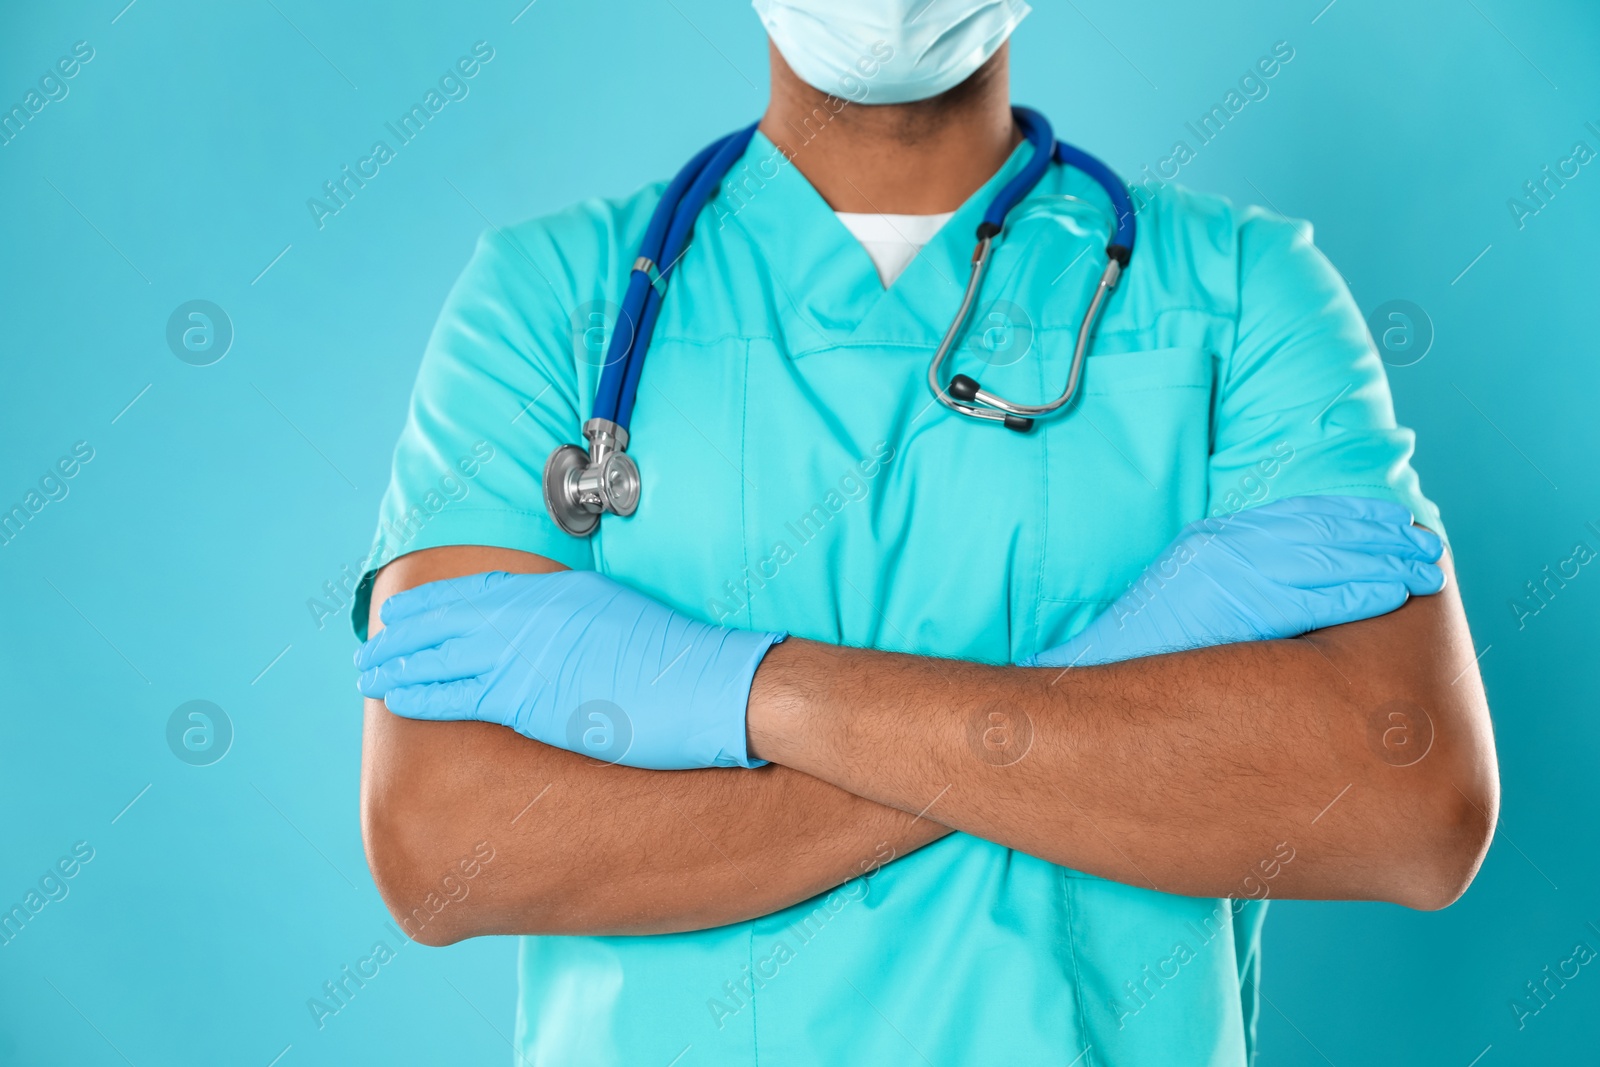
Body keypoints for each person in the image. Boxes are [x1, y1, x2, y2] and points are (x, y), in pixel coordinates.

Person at [350, 2, 1499, 1063]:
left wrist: (740, 692)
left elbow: (1413, 799)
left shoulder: (1244, 288)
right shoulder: (547, 299)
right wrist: (1078, 726)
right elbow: (444, 844)